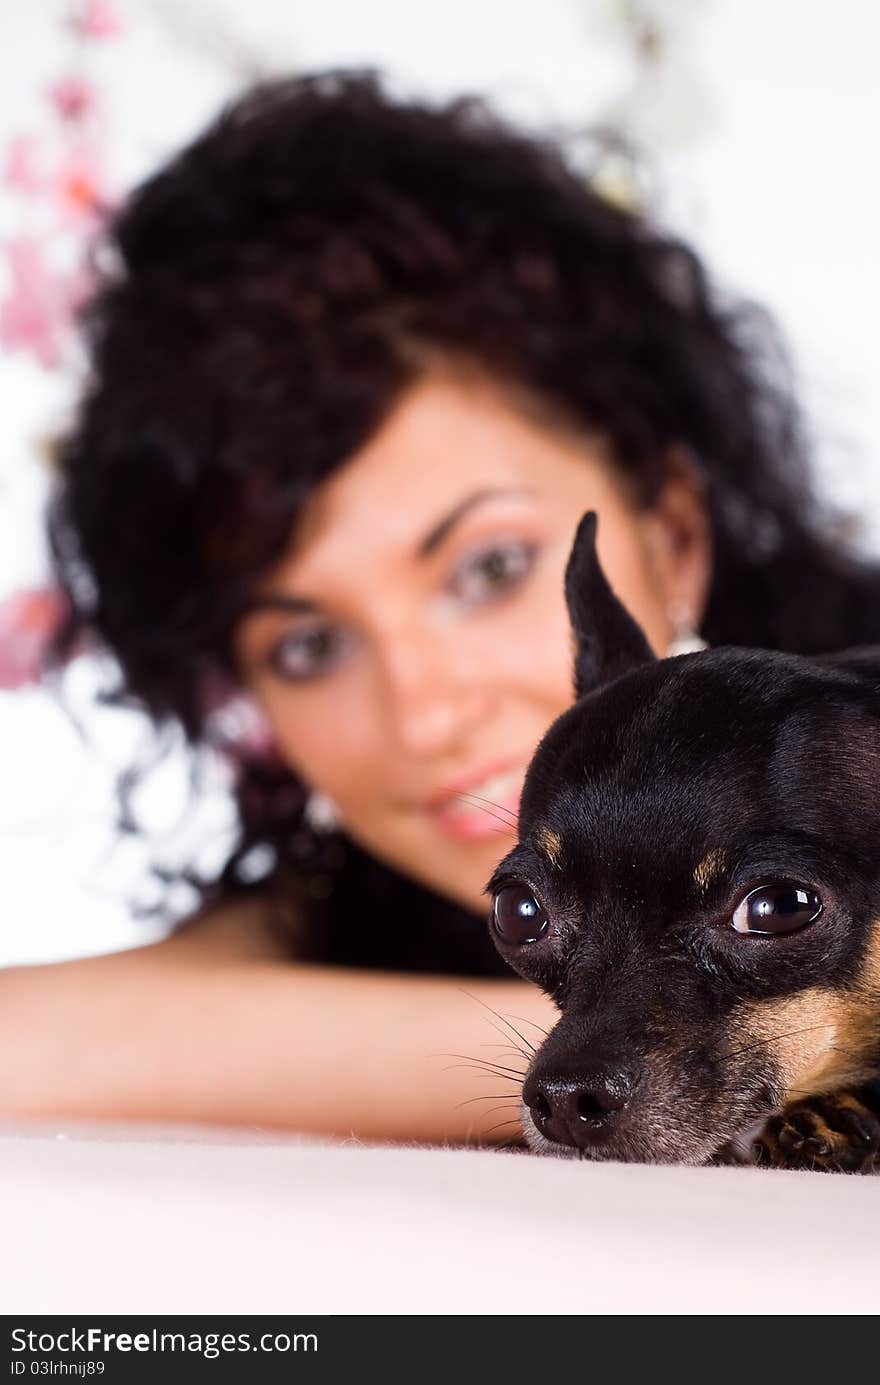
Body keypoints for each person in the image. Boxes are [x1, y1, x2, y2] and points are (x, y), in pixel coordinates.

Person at [2, 72, 879, 1143]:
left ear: (674, 532)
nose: (422, 713)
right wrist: (635, 1054)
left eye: (486, 567)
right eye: (310, 642)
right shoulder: (336, 905)